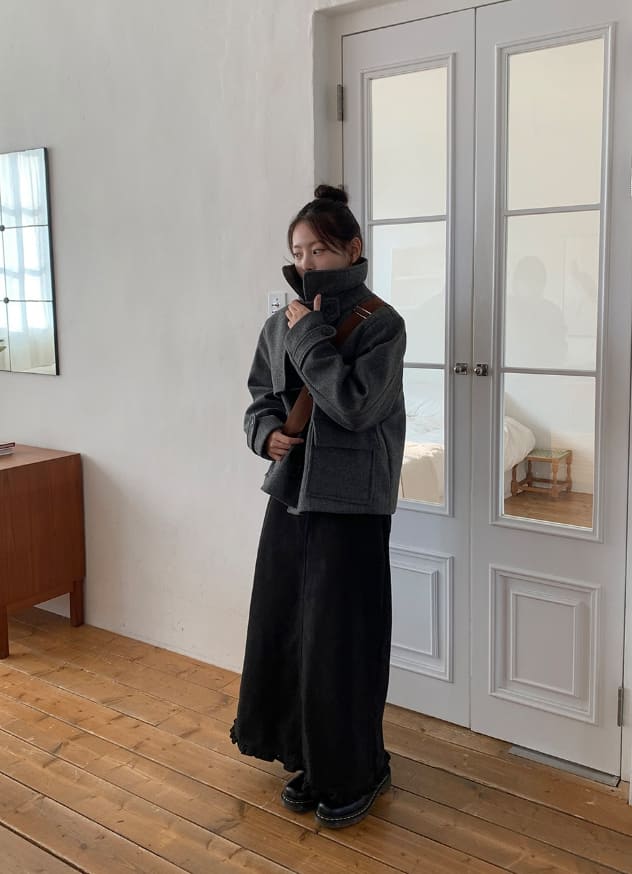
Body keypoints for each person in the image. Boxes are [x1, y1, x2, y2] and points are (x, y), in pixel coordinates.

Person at [230, 184, 406, 829]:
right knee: (290, 633)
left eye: (320, 251)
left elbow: (356, 407)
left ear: (353, 249)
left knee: (343, 642)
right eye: (299, 251)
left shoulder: (381, 323)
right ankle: (308, 758)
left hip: (352, 504)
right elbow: (259, 396)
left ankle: (359, 768)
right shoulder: (280, 323)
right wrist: (265, 435)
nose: (306, 263)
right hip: (292, 495)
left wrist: (308, 335)